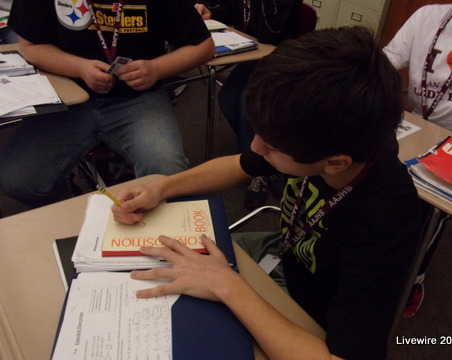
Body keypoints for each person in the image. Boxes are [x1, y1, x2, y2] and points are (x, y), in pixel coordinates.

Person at [112, 27, 424, 360]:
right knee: (147, 270)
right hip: (280, 258)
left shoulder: (385, 222)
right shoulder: (323, 134)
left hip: (306, 319)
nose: (256, 147)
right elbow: (239, 165)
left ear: (334, 163)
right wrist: (161, 186)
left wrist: (227, 285)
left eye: (271, 146)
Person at [0, 0, 215, 208]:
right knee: (17, 180)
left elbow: (204, 46)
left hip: (137, 99)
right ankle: (71, 209)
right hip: (67, 99)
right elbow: (30, 46)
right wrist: (79, 68)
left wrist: (157, 68)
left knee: (168, 174)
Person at [383, 0, 452, 318]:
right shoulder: (428, 17)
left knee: (422, 213)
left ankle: (414, 276)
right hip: (413, 130)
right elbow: (384, 63)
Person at [194, 0, 303, 210]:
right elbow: (231, 12)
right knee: (227, 98)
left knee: (248, 103)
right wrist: (212, 12)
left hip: (284, 59)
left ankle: (258, 170)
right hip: (254, 56)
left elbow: (270, 31)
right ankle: (268, 155)